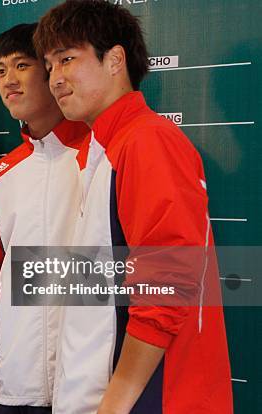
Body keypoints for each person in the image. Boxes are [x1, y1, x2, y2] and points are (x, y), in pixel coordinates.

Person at [34, 1, 233, 412]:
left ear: (115, 60)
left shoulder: (146, 140)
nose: (55, 78)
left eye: (67, 59)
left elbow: (167, 281)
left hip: (154, 397)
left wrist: (116, 400)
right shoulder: (102, 149)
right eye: (50, 65)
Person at [0, 24, 88, 413]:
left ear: (51, 71)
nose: (9, 80)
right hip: (17, 386)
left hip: (85, 387)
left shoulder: (100, 155)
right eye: (0, 70)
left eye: (21, 65)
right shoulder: (0, 175)